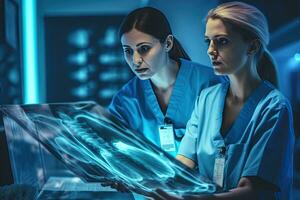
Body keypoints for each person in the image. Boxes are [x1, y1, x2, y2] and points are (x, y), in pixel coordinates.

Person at [153, 2, 295, 200]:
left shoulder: (273, 108)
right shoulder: (206, 99)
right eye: (208, 41)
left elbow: (253, 191)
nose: (211, 50)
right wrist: (146, 181)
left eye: (222, 41)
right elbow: (184, 162)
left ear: (252, 46)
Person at [108, 7, 221, 157]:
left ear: (167, 43)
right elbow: (108, 144)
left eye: (144, 48)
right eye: (128, 51)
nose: (135, 61)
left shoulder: (210, 84)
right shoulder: (125, 100)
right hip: (150, 180)